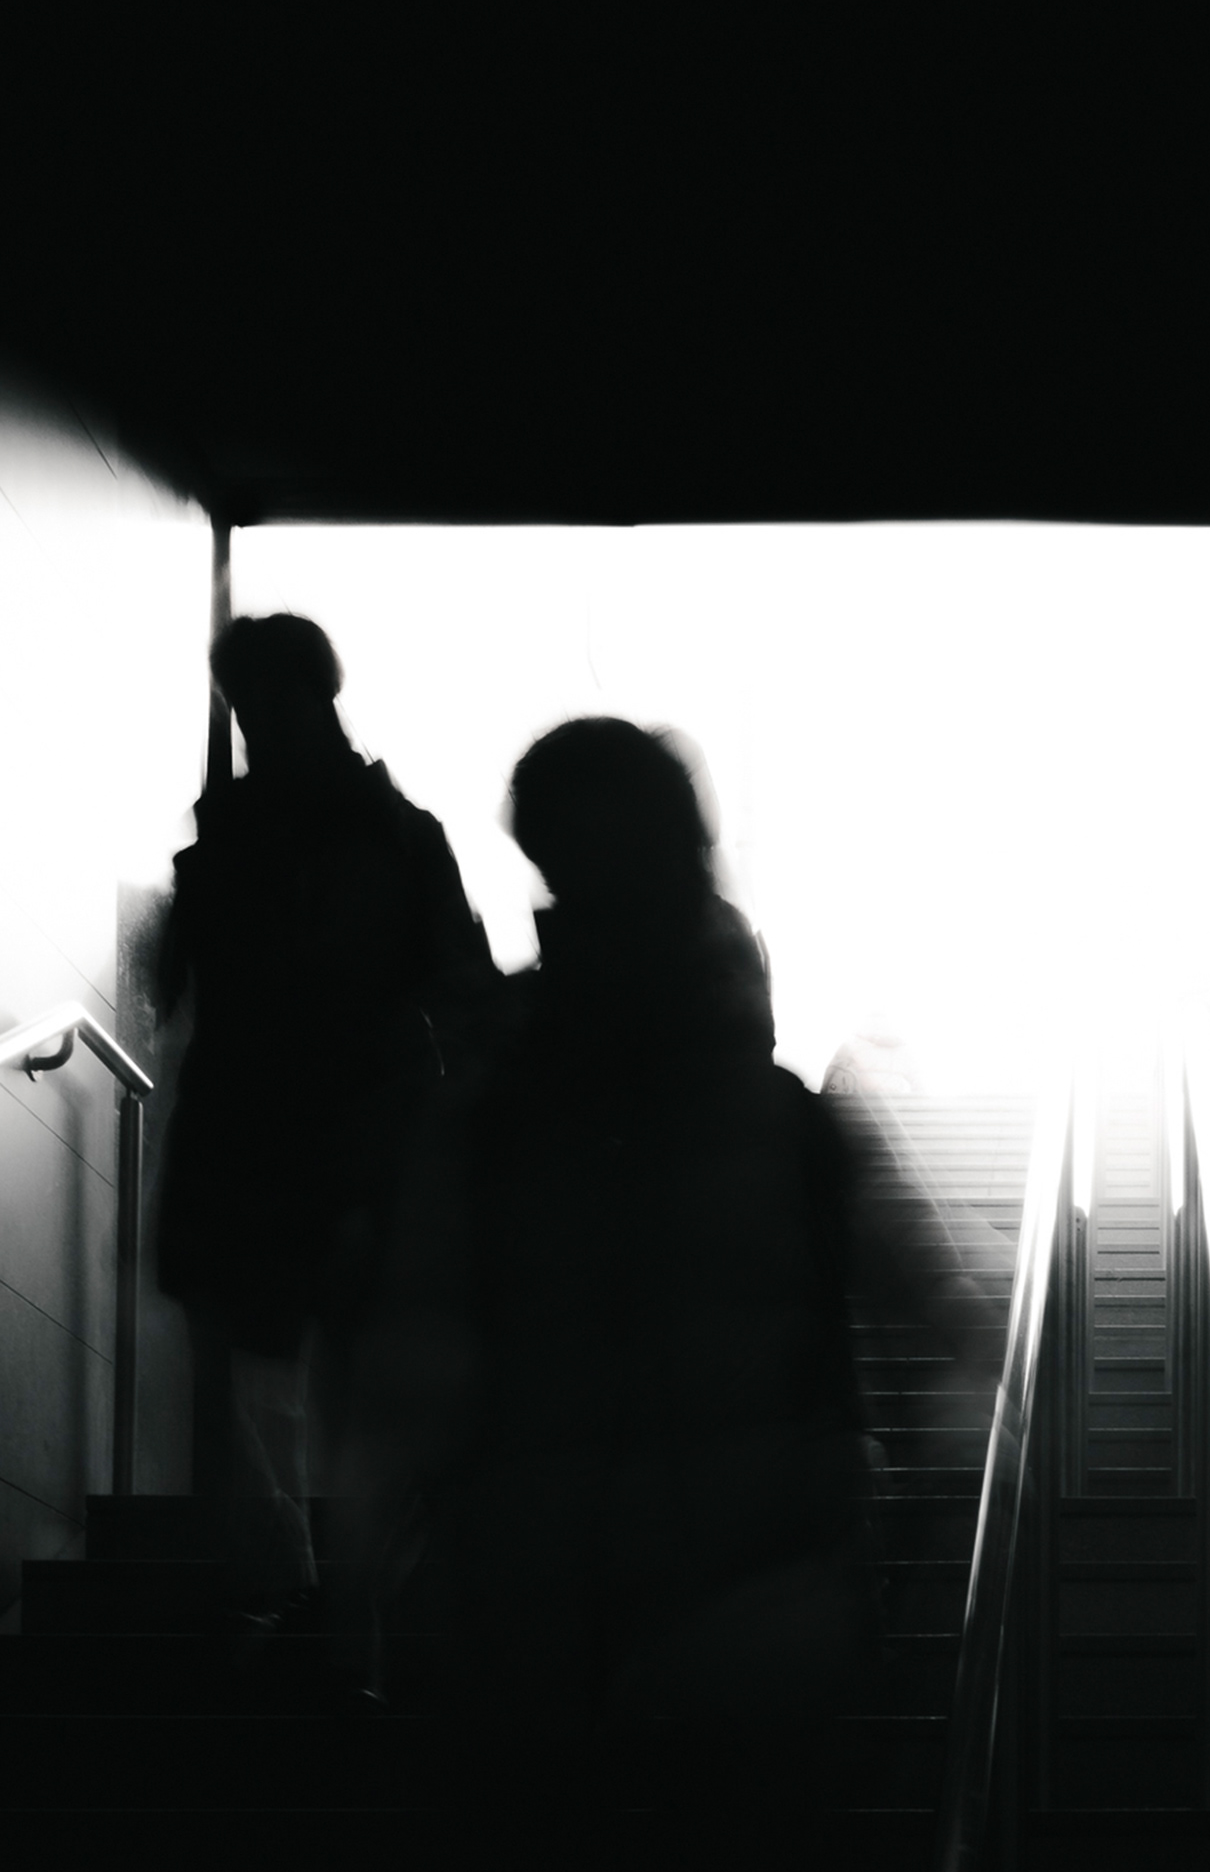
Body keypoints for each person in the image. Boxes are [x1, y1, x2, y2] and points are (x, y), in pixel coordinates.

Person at [375, 717, 981, 1789]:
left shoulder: (489, 1113)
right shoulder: (784, 1122)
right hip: (760, 1608)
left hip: (542, 1615)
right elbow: (937, 1302)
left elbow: (418, 1363)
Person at [149, 611, 491, 1637]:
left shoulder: (251, 842)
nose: (254, 721)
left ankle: (306, 1598)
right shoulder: (387, 835)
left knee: (276, 1378)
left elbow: (182, 992)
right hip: (339, 1146)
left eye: (261, 700)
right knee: (336, 1385)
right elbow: (459, 988)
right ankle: (339, 1610)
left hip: (276, 1143)